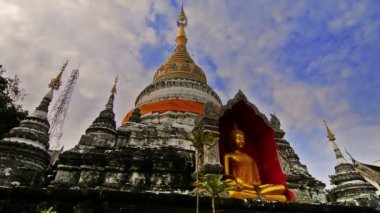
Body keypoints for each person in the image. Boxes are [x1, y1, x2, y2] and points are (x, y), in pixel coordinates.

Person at [224, 124, 287, 202]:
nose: (242, 141)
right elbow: (227, 176)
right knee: (230, 187)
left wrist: (256, 184)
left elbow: (257, 179)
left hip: (255, 189)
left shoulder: (251, 159)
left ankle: (254, 195)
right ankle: (260, 196)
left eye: (243, 138)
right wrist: (237, 180)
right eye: (239, 138)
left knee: (281, 188)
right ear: (232, 140)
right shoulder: (228, 156)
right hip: (240, 186)